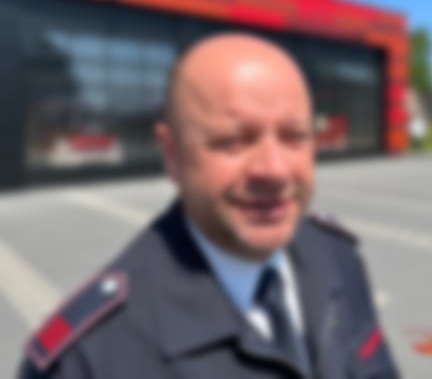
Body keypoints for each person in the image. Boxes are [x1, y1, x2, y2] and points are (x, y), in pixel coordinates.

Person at [19, 33, 399, 379]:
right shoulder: (89, 359)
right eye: (233, 140)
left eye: (294, 136)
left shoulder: (338, 257)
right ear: (173, 155)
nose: (275, 170)